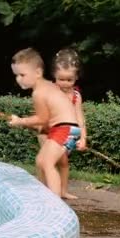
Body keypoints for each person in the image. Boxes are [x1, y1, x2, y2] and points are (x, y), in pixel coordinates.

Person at [7, 48, 81, 198]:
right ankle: (49, 194)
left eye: (22, 75)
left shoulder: (38, 92)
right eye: (16, 75)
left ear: (38, 73)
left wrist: (20, 121)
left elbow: (42, 119)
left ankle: (54, 202)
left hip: (66, 129)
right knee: (40, 160)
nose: (19, 79)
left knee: (47, 162)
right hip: (62, 128)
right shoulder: (46, 86)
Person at [34, 48, 87, 199]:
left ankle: (62, 191)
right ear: (54, 76)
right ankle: (44, 190)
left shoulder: (76, 96)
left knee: (63, 162)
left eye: (69, 80)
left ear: (76, 77)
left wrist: (83, 138)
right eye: (61, 79)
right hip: (47, 132)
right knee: (46, 162)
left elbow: (80, 118)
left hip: (66, 134)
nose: (65, 83)